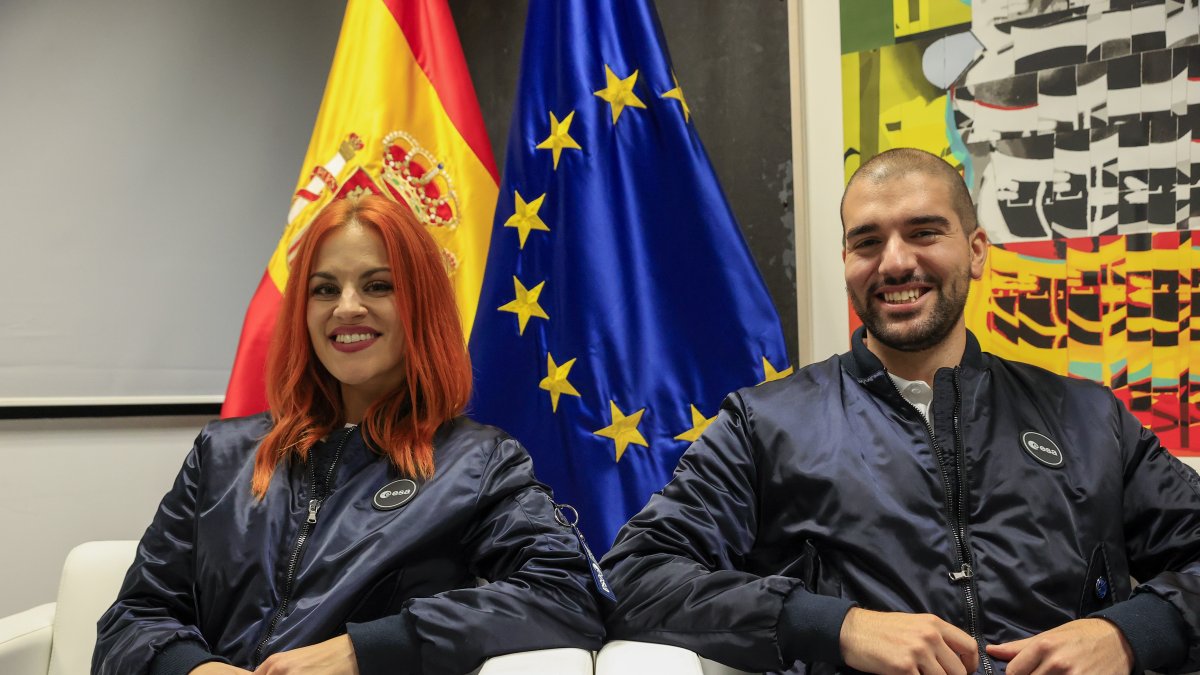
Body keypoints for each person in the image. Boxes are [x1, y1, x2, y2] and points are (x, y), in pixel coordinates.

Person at [601, 148, 1200, 675]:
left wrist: (1132, 632)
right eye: (867, 241)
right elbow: (633, 577)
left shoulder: (1088, 418)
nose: (893, 263)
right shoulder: (763, 426)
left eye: (923, 232)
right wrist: (834, 625)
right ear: (846, 263)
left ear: (976, 251)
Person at [93, 194, 605, 675]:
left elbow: (567, 592)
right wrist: (196, 669)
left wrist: (365, 649)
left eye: (378, 285)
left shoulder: (477, 463)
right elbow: (133, 617)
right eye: (325, 289)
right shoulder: (222, 454)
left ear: (420, 305)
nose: (348, 307)